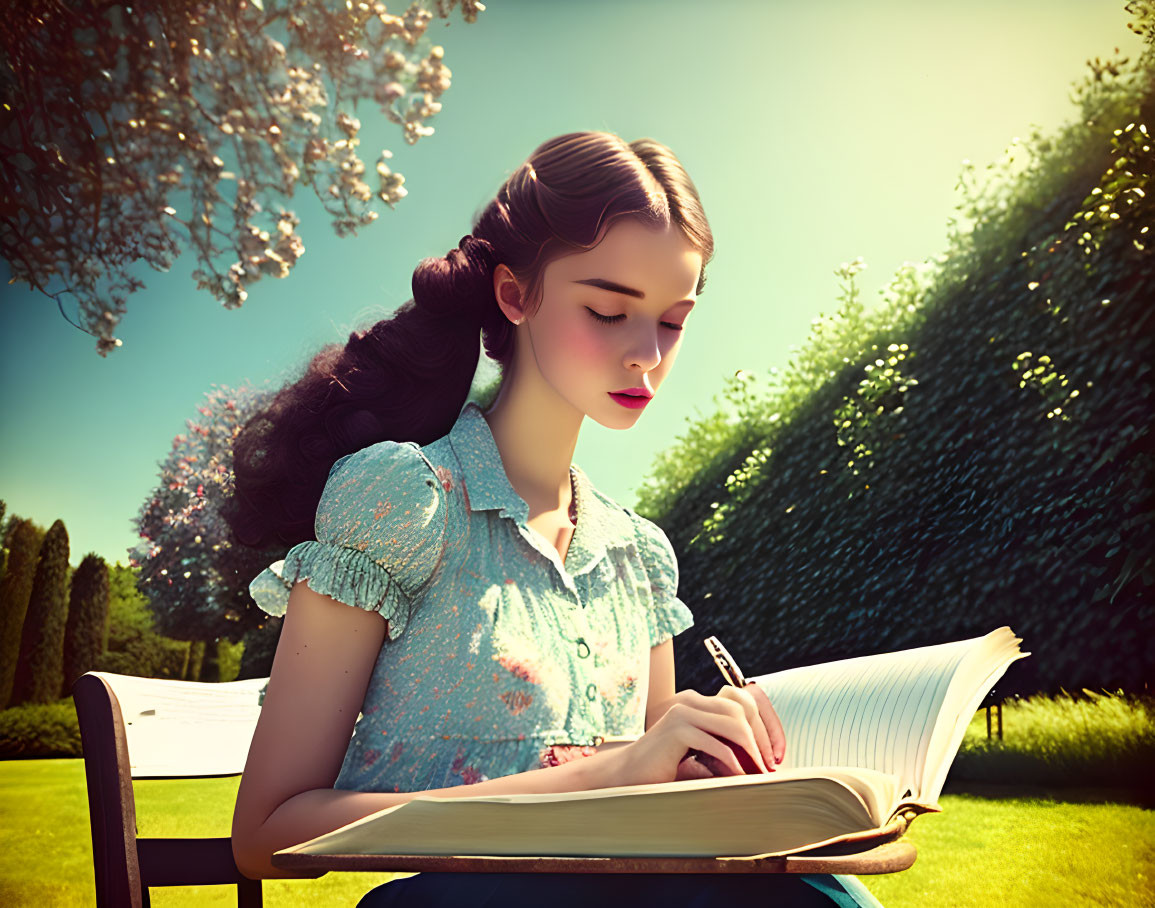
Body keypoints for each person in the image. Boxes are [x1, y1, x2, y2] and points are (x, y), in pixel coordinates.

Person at [225, 131, 884, 907]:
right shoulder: (402, 499)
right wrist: (605, 774)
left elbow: (652, 795)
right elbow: (269, 833)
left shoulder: (637, 553)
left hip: (619, 893)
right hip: (455, 905)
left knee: (817, 894)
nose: (646, 353)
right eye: (608, 311)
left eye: (672, 321)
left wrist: (705, 758)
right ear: (515, 295)